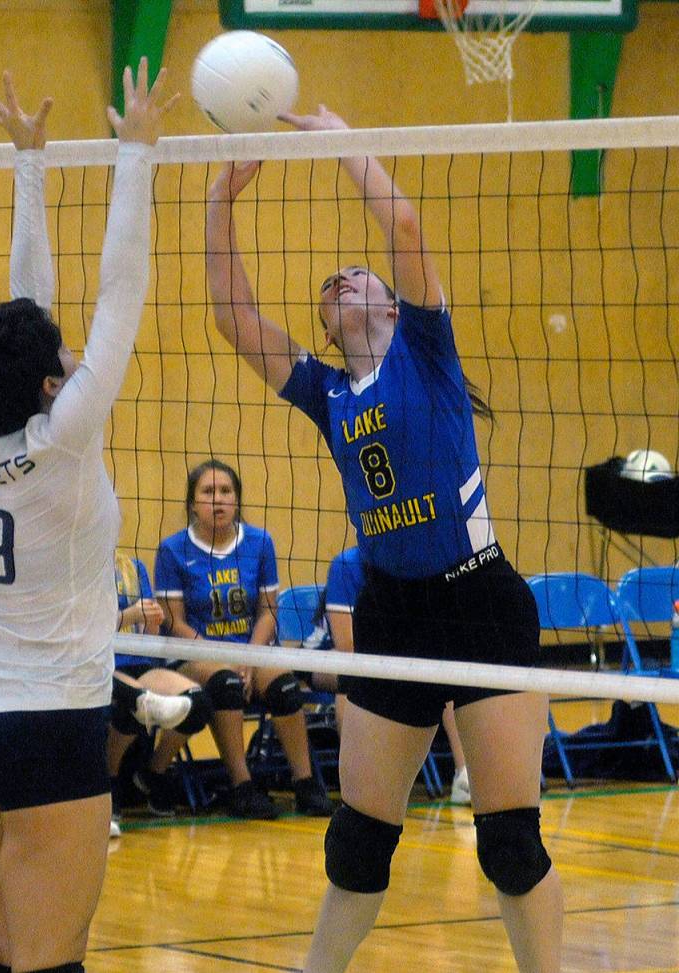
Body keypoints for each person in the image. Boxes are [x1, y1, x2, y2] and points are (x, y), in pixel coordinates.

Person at [205, 104, 562, 972]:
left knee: (509, 842)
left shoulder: (426, 350)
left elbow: (402, 219)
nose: (342, 283)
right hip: (392, 612)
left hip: (481, 601)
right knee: (360, 842)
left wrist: (341, 147)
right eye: (329, 288)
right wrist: (220, 202)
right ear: (328, 329)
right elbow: (234, 319)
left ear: (394, 305)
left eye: (357, 276)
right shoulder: (328, 395)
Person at [0, 64, 177, 973]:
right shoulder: (68, 433)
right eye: (58, 357)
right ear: (48, 383)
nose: (70, 350)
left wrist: (29, 165)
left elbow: (26, 307)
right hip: (49, 723)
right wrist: (136, 154)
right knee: (47, 960)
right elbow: (120, 291)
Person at [155, 458, 335, 820]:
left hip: (249, 650)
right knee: (225, 684)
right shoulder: (173, 549)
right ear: (192, 503)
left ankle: (304, 782)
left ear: (236, 500)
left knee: (285, 685)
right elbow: (174, 621)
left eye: (226, 491)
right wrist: (225, 659)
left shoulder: (259, 542)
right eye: (208, 492)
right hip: (193, 653)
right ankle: (241, 785)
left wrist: (250, 659)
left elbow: (269, 611)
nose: (218, 499)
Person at [305, 547, 471, 804]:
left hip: (389, 656)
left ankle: (464, 776)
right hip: (327, 655)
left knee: (443, 674)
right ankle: (360, 787)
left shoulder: (420, 562)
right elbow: (347, 644)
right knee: (354, 678)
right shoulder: (347, 565)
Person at [109, 551, 212, 830]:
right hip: (98, 663)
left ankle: (153, 772)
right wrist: (127, 615)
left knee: (197, 704)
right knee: (128, 703)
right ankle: (108, 784)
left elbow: (149, 635)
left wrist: (150, 621)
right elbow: (78, 628)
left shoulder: (132, 567)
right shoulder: (71, 567)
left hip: (140, 663)